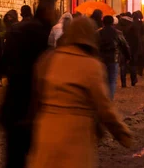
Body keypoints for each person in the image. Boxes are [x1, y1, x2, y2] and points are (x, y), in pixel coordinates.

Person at [26, 17, 132, 167]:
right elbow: (104, 106)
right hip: (76, 134)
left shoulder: (48, 59)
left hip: (46, 130)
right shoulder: (91, 65)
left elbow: (35, 96)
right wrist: (121, 133)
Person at [0, 0, 56, 168]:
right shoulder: (43, 32)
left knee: (14, 157)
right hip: (31, 104)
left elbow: (4, 62)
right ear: (49, 7)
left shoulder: (18, 30)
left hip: (13, 102)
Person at [99, 16, 130, 99]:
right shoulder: (117, 33)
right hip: (114, 58)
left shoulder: (99, 33)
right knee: (112, 80)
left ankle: (103, 97)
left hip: (101, 59)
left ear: (103, 22)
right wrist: (128, 57)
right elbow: (125, 46)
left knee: (103, 80)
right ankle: (110, 99)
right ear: (113, 22)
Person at [117, 13, 138, 87]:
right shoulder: (132, 28)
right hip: (131, 48)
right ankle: (133, 80)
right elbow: (136, 39)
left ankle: (123, 82)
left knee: (123, 66)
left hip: (121, 49)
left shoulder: (118, 28)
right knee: (132, 65)